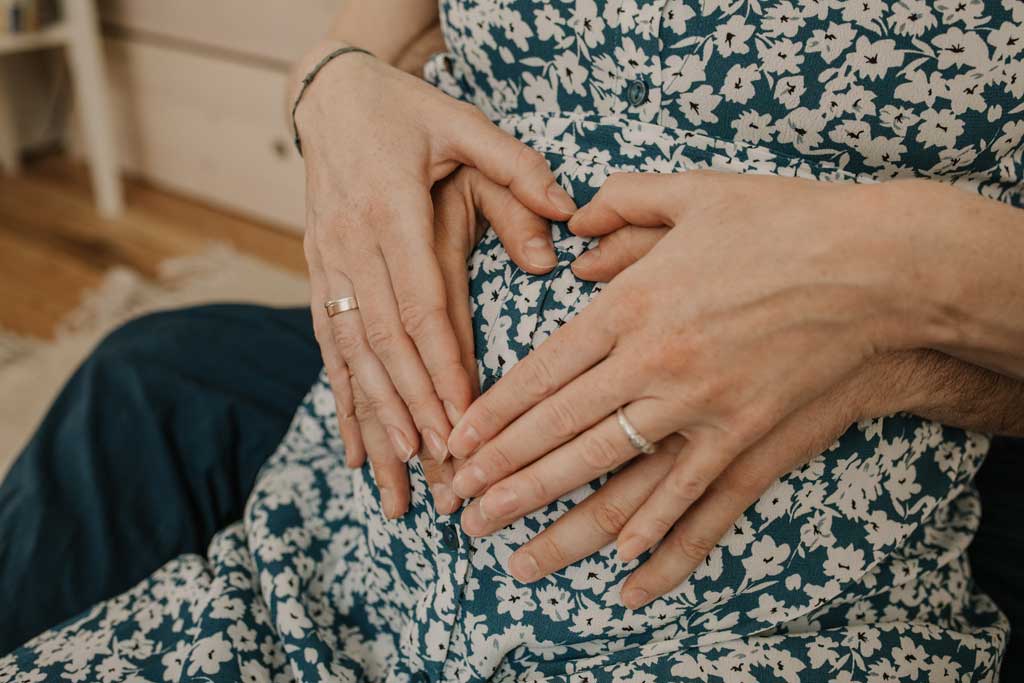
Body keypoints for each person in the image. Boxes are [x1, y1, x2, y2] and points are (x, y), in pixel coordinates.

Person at [1, 0, 1023, 680]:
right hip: (336, 562)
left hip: (765, 626)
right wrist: (332, 91)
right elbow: (358, 46)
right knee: (143, 380)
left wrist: (890, 280)